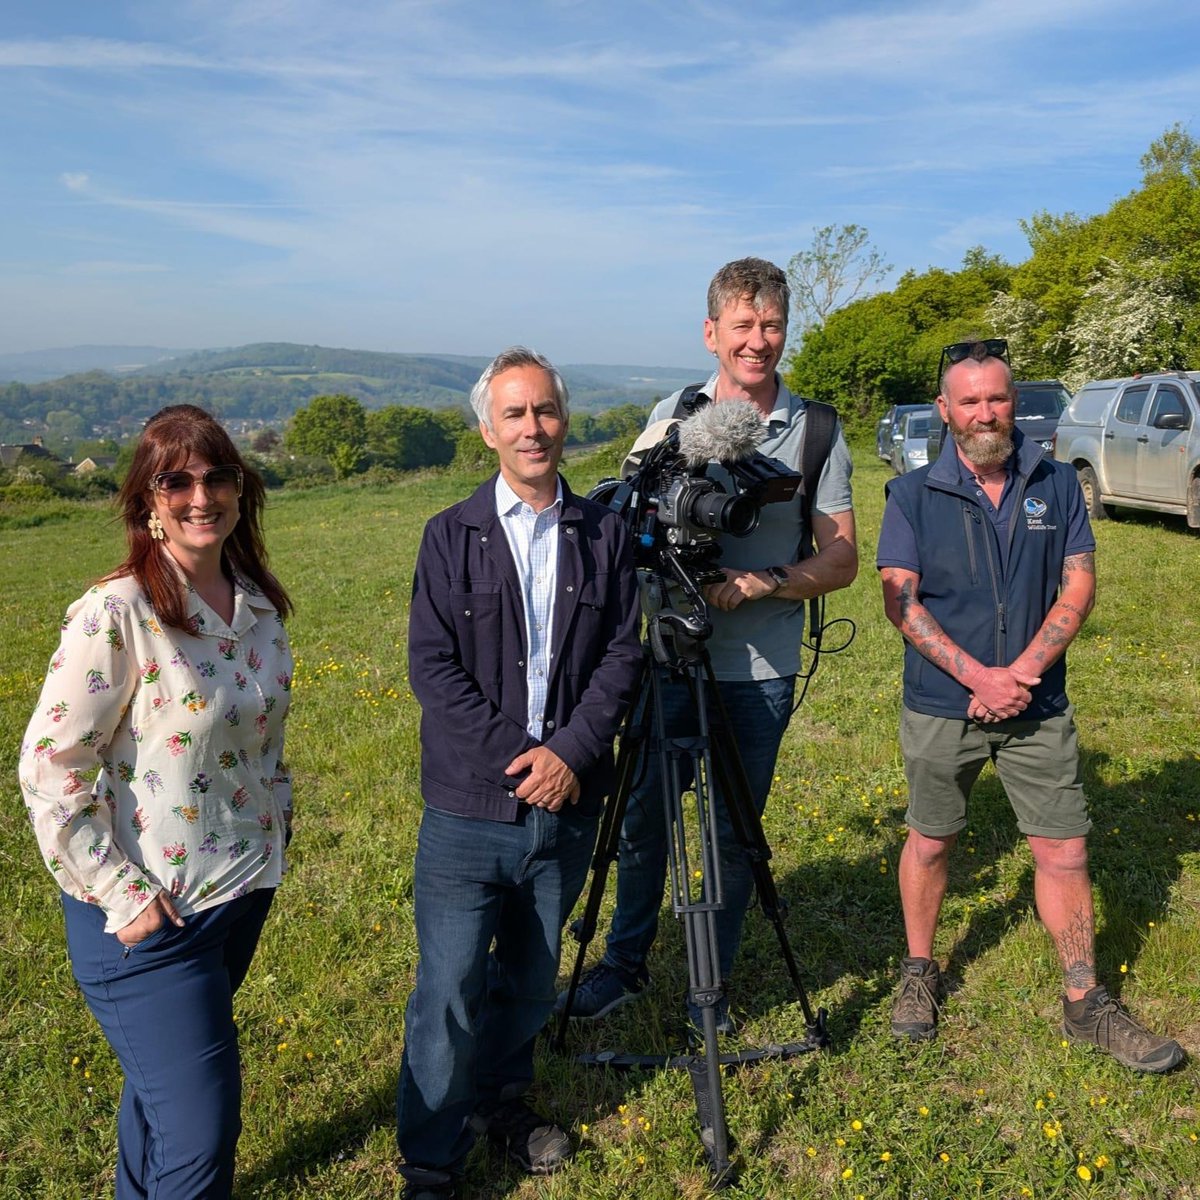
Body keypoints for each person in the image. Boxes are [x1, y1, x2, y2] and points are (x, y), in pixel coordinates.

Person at [557, 257, 858, 1030]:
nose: (758, 342)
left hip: (758, 668)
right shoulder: (674, 410)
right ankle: (624, 963)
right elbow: (627, 514)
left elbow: (844, 558)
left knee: (730, 832)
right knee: (643, 821)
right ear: (712, 332)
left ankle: (711, 988)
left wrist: (767, 582)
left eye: (771, 327)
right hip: (667, 654)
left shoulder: (816, 430)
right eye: (743, 326)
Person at [877, 339, 1184, 1072]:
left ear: (1014, 402)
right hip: (941, 704)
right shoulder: (912, 496)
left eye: (999, 397)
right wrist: (978, 677)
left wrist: (1019, 672)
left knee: (1064, 848)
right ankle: (920, 970)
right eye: (971, 400)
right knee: (932, 839)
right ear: (945, 410)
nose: (987, 412)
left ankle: (1085, 1001)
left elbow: (1078, 585)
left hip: (1037, 703)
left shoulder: (1056, 484)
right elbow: (900, 600)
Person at [18, 404, 295, 1197]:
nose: (199, 496)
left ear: (241, 492)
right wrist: (119, 891)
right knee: (201, 1135)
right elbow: (50, 765)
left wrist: (276, 813)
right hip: (147, 920)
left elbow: (264, 738)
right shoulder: (118, 611)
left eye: (218, 478)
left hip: (236, 892)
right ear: (147, 499)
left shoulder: (258, 605)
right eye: (176, 480)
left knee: (160, 1096)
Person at [396, 346, 642, 1199]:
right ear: (486, 430)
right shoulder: (450, 534)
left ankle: (502, 1105)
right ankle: (430, 1155)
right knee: (452, 986)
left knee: (531, 979)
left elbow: (622, 653)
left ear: (563, 421)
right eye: (514, 414)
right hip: (469, 810)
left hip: (567, 804)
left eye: (544, 411)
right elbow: (434, 669)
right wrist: (522, 761)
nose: (532, 428)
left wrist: (570, 755)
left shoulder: (605, 533)